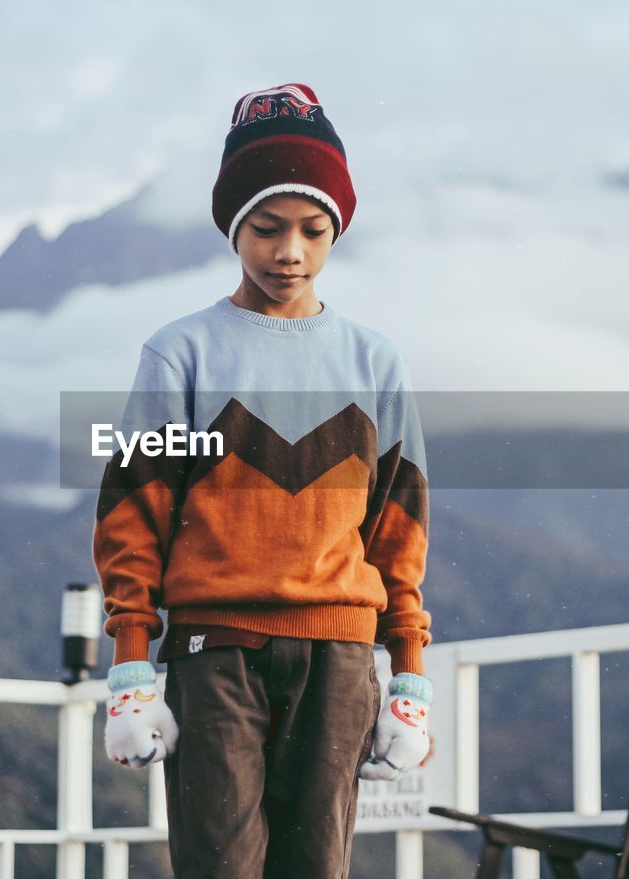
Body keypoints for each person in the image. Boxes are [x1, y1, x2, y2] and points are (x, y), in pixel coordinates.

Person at [92, 82, 433, 879]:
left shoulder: (375, 362)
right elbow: (133, 512)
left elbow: (399, 526)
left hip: (341, 659)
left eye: (314, 230)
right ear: (233, 227)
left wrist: (409, 664)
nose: (290, 252)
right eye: (267, 229)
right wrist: (133, 659)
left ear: (336, 229)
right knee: (221, 867)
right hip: (216, 652)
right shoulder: (180, 353)